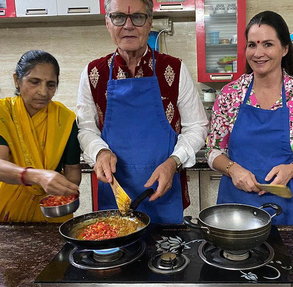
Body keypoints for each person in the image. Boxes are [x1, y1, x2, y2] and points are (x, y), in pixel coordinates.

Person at [77, 0, 208, 223]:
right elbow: (86, 128)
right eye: (118, 17)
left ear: (149, 23)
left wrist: (173, 162)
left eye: (137, 17)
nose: (128, 25)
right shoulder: (92, 73)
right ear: (107, 22)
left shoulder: (174, 70)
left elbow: (197, 127)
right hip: (114, 192)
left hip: (163, 189)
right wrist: (100, 152)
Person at [206, 11, 293, 225]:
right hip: (237, 208)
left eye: (268, 44)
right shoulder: (230, 94)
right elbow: (213, 151)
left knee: (290, 257)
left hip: (287, 207)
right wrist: (232, 169)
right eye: (252, 45)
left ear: (284, 49)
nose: (258, 53)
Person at [0, 50, 81, 223]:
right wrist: (38, 177)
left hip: (50, 211)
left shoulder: (65, 118)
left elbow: (73, 170)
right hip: (4, 210)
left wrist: (65, 191)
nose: (43, 92)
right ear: (17, 80)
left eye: (50, 84)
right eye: (34, 82)